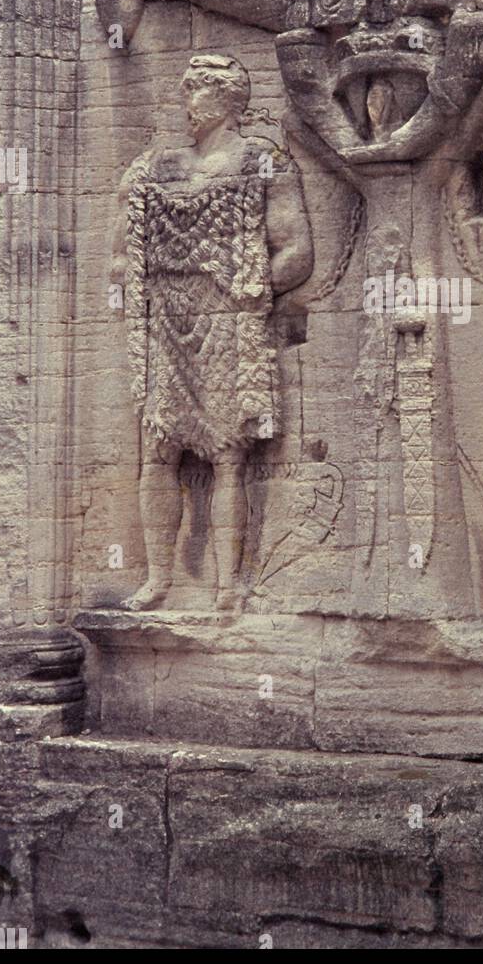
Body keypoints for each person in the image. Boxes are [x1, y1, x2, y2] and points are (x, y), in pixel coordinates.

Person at [110, 54, 313, 611]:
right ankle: (158, 579)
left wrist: (242, 288)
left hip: (231, 321)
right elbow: (120, 259)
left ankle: (229, 586)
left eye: (200, 88)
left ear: (231, 98)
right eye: (185, 87)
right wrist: (144, 281)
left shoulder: (261, 162)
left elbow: (294, 252)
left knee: (229, 453)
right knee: (158, 448)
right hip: (166, 323)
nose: (188, 99)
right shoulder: (156, 169)